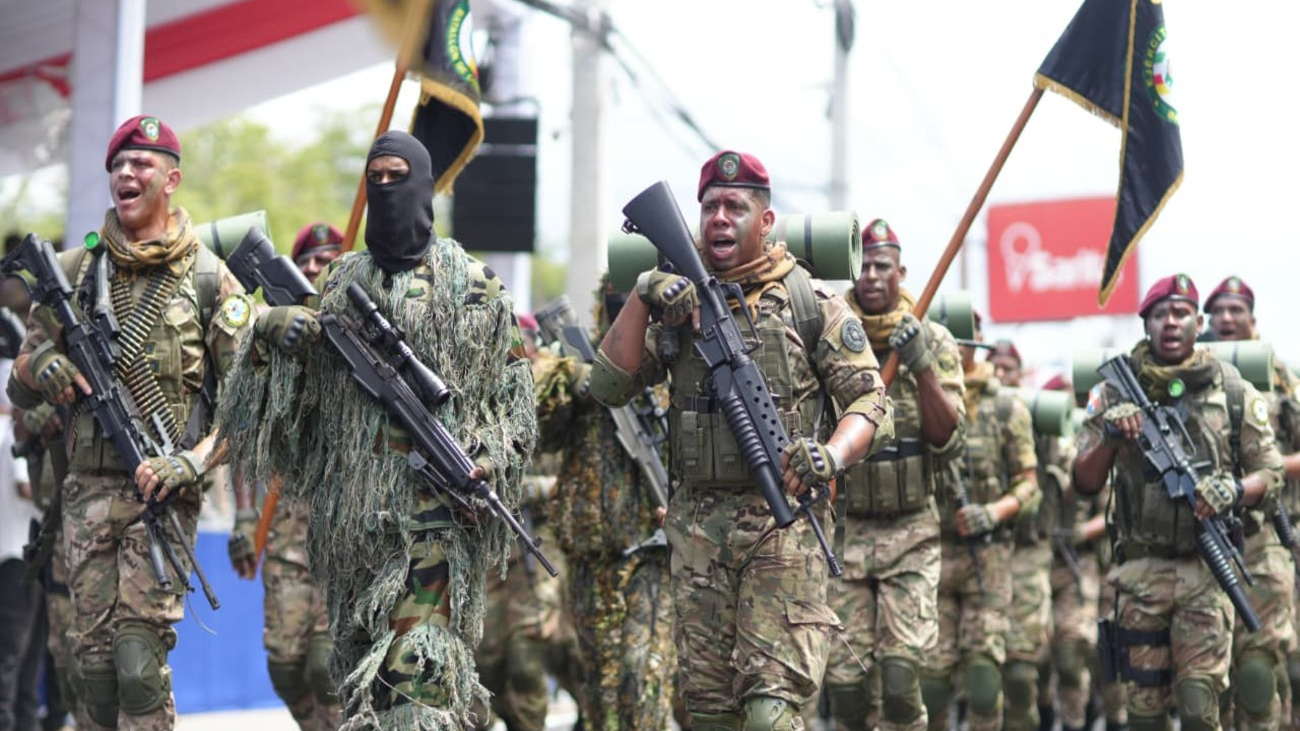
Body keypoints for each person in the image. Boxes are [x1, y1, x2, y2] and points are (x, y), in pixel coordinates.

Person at [218, 130, 537, 731]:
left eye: (400, 177)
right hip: (348, 544)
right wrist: (269, 338)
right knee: (361, 707)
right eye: (377, 179)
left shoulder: (474, 287)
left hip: (432, 539)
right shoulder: (339, 285)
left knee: (414, 706)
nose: (387, 190)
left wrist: (487, 459)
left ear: (425, 185)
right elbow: (281, 416)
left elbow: (514, 408)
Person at [589, 150, 892, 731]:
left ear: (766, 221)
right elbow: (607, 385)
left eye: (737, 206)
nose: (720, 218)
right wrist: (643, 294)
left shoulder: (810, 302)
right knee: (710, 714)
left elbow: (871, 400)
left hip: (784, 527)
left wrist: (830, 453)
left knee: (770, 710)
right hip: (697, 529)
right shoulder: (674, 302)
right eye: (709, 207)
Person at [7, 114, 253, 731]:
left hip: (162, 493)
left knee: (138, 662)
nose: (126, 173)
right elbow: (18, 375)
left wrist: (192, 461)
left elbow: (248, 405)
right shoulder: (74, 271)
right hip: (86, 489)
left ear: (171, 179)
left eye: (142, 164)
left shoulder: (207, 277)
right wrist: (48, 362)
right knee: (90, 669)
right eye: (118, 164)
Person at [1073, 273, 1284, 731]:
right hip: (1141, 572)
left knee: (1199, 706)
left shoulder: (1232, 391)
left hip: (1205, 571)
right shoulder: (1111, 392)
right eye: (1160, 314)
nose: (1171, 323)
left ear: (1198, 321)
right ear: (1146, 322)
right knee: (1144, 716)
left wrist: (1233, 489)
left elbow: (1272, 473)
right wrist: (1110, 435)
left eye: (1182, 313)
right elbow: (1083, 481)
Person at [821, 218, 964, 731]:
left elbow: (948, 441)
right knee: (846, 690)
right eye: (863, 265)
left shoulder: (936, 340)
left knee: (902, 682)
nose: (872, 275)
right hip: (845, 532)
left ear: (902, 273)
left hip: (911, 534)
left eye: (883, 265)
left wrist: (923, 365)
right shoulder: (830, 332)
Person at [533, 279, 677, 731]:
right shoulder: (575, 366)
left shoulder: (672, 368)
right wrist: (574, 385)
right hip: (590, 559)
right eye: (617, 304)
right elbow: (540, 433)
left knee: (641, 681)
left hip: (652, 556)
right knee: (597, 694)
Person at [226, 221, 344, 731]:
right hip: (284, 533)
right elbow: (244, 430)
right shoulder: (273, 337)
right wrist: (244, 517)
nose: (317, 268)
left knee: (326, 666)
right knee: (284, 666)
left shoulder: (355, 333)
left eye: (329, 259)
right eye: (309, 261)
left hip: (341, 535)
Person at [921, 314, 1038, 731]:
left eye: (964, 340)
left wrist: (993, 512)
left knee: (984, 678)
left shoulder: (1006, 406)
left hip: (987, 557)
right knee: (930, 682)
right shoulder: (920, 396)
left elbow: (1029, 484)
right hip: (931, 555)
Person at [1203, 275, 1298, 731]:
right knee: (1207, 682)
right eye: (1218, 310)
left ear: (1251, 319)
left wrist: (1262, 476)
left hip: (1264, 537)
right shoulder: (1188, 371)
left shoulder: (1281, 377)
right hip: (1200, 545)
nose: (1226, 318)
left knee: (1258, 668)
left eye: (1235, 310)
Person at [471, 312, 564, 731]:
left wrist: (531, 490)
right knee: (487, 660)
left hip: (534, 543)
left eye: (521, 342)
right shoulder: (478, 401)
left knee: (528, 659)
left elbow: (567, 479)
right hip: (488, 548)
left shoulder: (551, 399)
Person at [986, 338, 1053, 731]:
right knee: (980, 672)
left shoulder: (1034, 420)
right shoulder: (978, 411)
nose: (999, 375)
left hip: (1027, 553)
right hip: (982, 552)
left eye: (1007, 369)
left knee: (1020, 669)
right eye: (993, 366)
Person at [0, 350, 38, 731]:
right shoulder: (11, 436)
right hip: (15, 556)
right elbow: (28, 488)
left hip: (16, 553)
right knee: (14, 663)